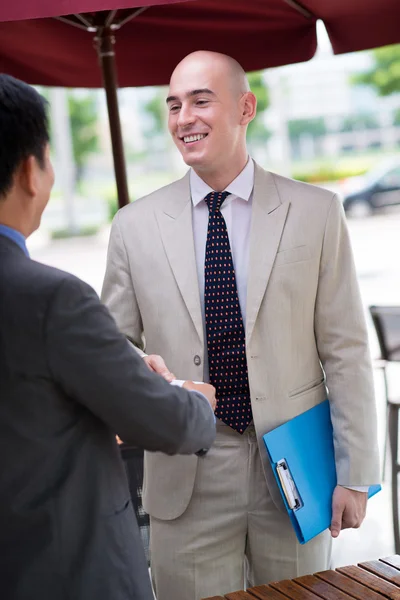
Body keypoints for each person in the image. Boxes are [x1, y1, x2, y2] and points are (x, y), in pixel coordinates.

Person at [101, 51, 380, 600]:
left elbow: (346, 350)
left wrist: (355, 472)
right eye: (174, 105)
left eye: (202, 100)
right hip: (186, 470)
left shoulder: (316, 211)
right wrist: (159, 382)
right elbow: (112, 347)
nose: (185, 118)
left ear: (245, 107)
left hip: (297, 471)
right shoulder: (133, 226)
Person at [0, 73, 217, 600]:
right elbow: (163, 421)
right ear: (32, 170)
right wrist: (194, 401)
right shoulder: (50, 298)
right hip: (64, 571)